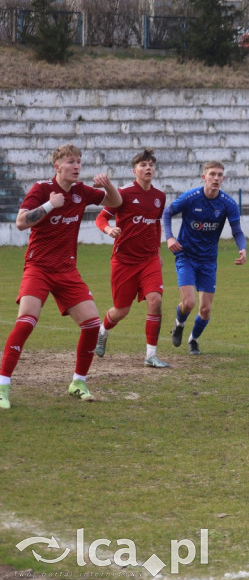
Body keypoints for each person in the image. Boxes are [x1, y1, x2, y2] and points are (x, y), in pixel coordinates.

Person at [0, 143, 122, 409]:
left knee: (91, 324)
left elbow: (116, 203)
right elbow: (21, 222)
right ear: (57, 167)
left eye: (78, 161)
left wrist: (108, 185)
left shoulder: (81, 191)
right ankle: (3, 386)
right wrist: (49, 205)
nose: (76, 166)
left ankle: (78, 382)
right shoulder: (42, 189)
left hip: (66, 270)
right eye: (70, 162)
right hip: (39, 267)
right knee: (26, 322)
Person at [93, 148, 170, 368]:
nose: (148, 168)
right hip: (124, 261)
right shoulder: (123, 193)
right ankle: (103, 331)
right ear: (134, 170)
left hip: (149, 259)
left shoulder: (159, 197)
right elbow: (101, 218)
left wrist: (157, 252)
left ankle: (150, 355)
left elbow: (155, 225)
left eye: (151, 165)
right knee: (121, 310)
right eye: (143, 165)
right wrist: (109, 230)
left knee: (155, 301)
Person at [162, 160, 246, 356]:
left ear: (223, 179)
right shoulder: (191, 198)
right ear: (204, 177)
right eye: (212, 174)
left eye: (219, 175)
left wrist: (243, 249)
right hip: (186, 256)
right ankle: (179, 323)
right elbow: (167, 213)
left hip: (208, 260)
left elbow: (237, 231)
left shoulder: (228, 204)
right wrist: (169, 237)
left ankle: (194, 339)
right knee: (189, 303)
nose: (216, 178)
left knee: (205, 309)